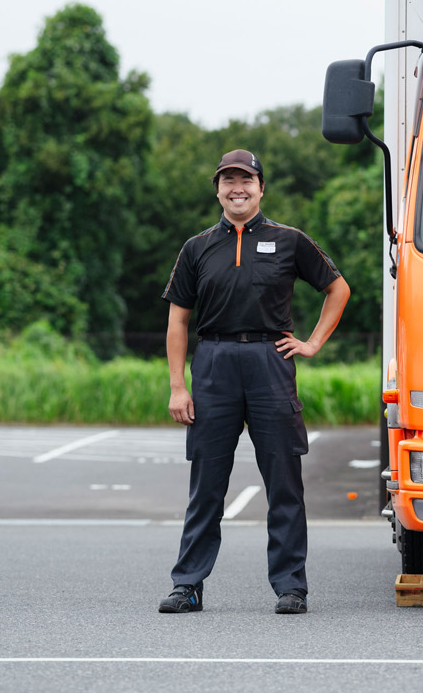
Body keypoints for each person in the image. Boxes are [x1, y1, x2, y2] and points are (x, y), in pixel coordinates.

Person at [158, 149, 350, 615]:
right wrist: (178, 386)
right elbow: (178, 322)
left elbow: (338, 288)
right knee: (206, 484)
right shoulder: (197, 247)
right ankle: (188, 585)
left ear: (261, 188)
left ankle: (291, 586)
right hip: (214, 363)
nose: (237, 188)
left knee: (284, 480)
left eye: (246, 180)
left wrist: (312, 343)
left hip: (270, 362)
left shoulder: (289, 240)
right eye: (228, 180)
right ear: (218, 189)